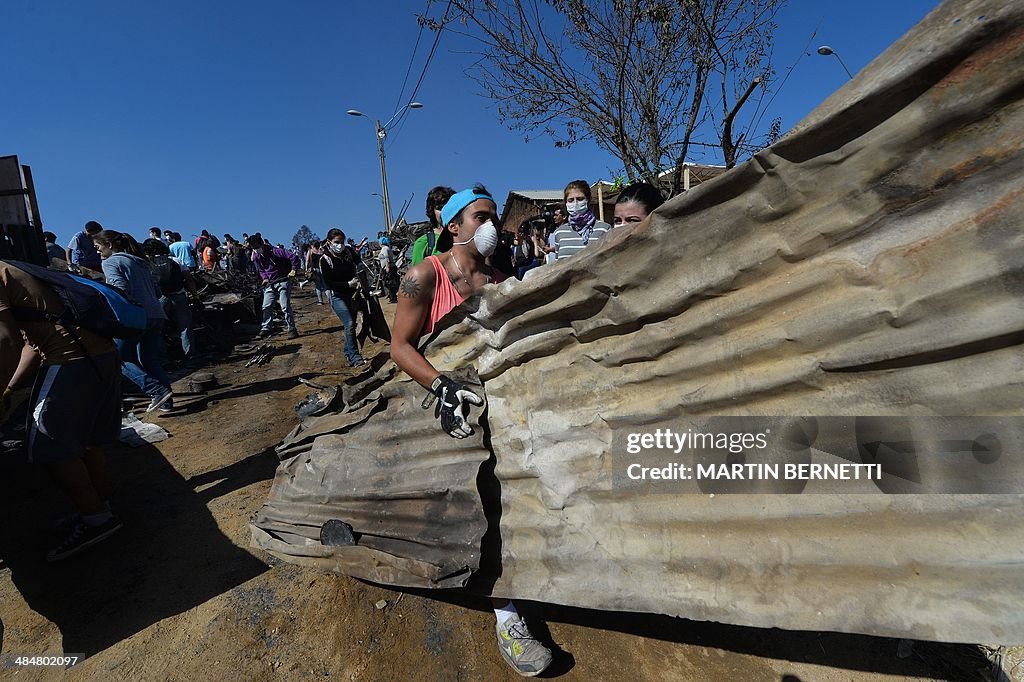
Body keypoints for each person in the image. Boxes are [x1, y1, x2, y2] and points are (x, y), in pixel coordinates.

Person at [391, 185, 552, 677]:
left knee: (513, 503)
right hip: (447, 409)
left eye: (493, 217)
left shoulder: (502, 281)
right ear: (453, 227)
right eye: (479, 217)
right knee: (472, 506)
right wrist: (441, 386)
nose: (490, 226)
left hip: (497, 408)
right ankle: (507, 615)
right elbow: (399, 345)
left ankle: (518, 594)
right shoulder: (423, 276)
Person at [0, 261, 123, 561]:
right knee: (88, 441)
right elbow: (31, 343)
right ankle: (97, 507)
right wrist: (10, 387)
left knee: (47, 447)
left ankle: (96, 519)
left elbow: (6, 340)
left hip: (69, 360)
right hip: (102, 355)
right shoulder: (19, 269)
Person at [93, 230, 174, 412]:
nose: (97, 252)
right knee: (150, 359)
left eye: (98, 247)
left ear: (109, 245)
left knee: (119, 358)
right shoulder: (141, 262)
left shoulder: (110, 262)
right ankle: (166, 401)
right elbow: (157, 291)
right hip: (156, 313)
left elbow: (119, 290)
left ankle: (156, 391)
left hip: (135, 317)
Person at [318, 229, 367, 367]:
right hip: (336, 295)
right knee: (350, 323)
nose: (339, 245)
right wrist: (348, 283)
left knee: (350, 325)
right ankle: (354, 356)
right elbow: (329, 283)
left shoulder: (348, 252)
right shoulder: (325, 260)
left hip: (351, 293)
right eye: (336, 242)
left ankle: (348, 351)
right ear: (329, 242)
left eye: (341, 242)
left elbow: (359, 263)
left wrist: (360, 277)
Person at [142, 238, 195, 363]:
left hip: (159, 298)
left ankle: (164, 360)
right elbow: (189, 279)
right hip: (179, 295)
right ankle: (190, 357)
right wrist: (195, 296)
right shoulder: (175, 260)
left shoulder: (146, 264)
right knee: (185, 328)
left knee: (158, 330)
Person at [250, 234, 300, 339]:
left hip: (283, 280)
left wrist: (293, 270)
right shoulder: (256, 256)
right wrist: (265, 278)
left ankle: (292, 329)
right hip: (270, 283)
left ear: (262, 244)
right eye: (254, 248)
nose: (256, 250)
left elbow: (293, 257)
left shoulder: (276, 251)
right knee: (266, 306)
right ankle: (266, 328)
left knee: (285, 306)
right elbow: (260, 270)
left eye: (257, 247)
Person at [550, 180, 612, 260]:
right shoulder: (559, 232)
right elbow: (557, 264)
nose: (575, 203)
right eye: (571, 200)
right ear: (566, 203)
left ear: (588, 200)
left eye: (580, 199)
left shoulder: (604, 229)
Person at [412, 186, 456, 266]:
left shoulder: (464, 238)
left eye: (448, 207)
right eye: (440, 208)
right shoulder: (423, 243)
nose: (444, 212)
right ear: (432, 211)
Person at [305, 240, 327, 305]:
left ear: (313, 245)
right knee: (325, 285)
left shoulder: (310, 251)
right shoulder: (321, 251)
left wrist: (306, 269)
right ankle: (330, 298)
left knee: (318, 286)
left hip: (314, 270)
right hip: (322, 269)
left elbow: (307, 261)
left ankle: (320, 301)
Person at [378, 237, 398, 304]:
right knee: (389, 283)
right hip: (388, 267)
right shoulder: (386, 248)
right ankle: (392, 297)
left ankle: (393, 298)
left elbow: (386, 258)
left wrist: (387, 267)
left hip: (389, 267)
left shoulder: (385, 248)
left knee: (390, 283)